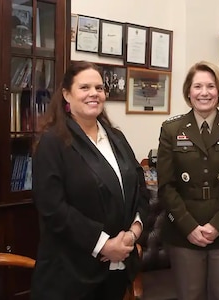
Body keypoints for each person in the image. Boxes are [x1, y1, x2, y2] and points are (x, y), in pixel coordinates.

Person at [30, 61, 149, 300]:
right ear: (66, 94)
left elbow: (140, 188)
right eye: (84, 87)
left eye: (99, 87)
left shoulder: (116, 137)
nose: (94, 93)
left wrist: (133, 233)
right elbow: (53, 208)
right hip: (70, 275)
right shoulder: (52, 142)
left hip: (115, 270)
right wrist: (104, 244)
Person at [157, 61, 219, 300]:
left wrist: (217, 225)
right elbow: (166, 186)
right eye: (197, 86)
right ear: (188, 92)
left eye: (211, 86)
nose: (204, 92)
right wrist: (189, 227)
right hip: (184, 231)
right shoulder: (171, 129)